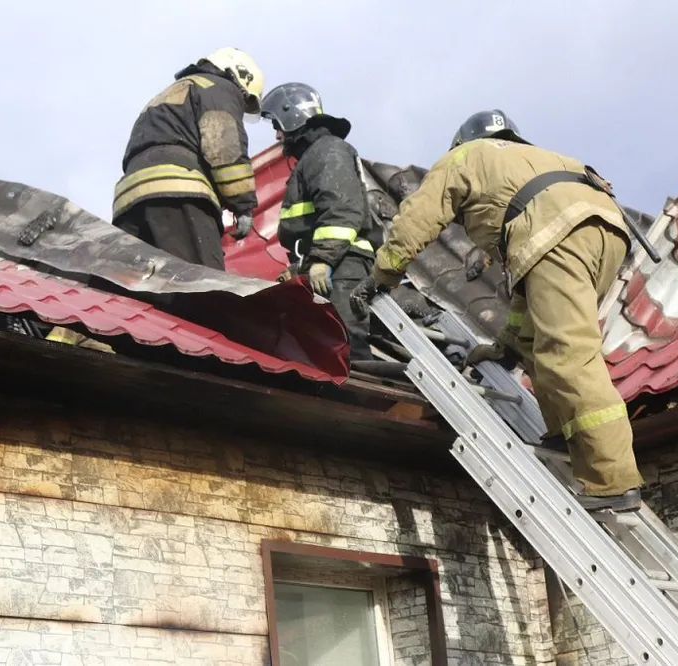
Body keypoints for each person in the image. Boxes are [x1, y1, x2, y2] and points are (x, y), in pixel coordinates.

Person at [350, 109, 644, 512]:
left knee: (568, 354)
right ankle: (561, 432)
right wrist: (506, 344)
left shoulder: (465, 156)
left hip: (556, 234)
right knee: (545, 340)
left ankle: (612, 482)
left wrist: (382, 274)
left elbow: (419, 216)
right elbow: (528, 304)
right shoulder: (539, 159)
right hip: (606, 232)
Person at [112, 47, 264, 270]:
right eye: (245, 98)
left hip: (129, 200)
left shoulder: (173, 91)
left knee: (140, 290)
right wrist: (243, 205)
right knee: (204, 285)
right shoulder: (217, 87)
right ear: (240, 77)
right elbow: (223, 147)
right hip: (179, 191)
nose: (241, 104)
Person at [260, 82, 378, 361]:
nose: (277, 134)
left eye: (277, 124)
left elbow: (342, 210)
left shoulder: (327, 151)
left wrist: (323, 259)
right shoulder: (316, 155)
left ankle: (360, 403)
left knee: (345, 347)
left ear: (292, 116)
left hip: (342, 265)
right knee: (323, 348)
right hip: (329, 264)